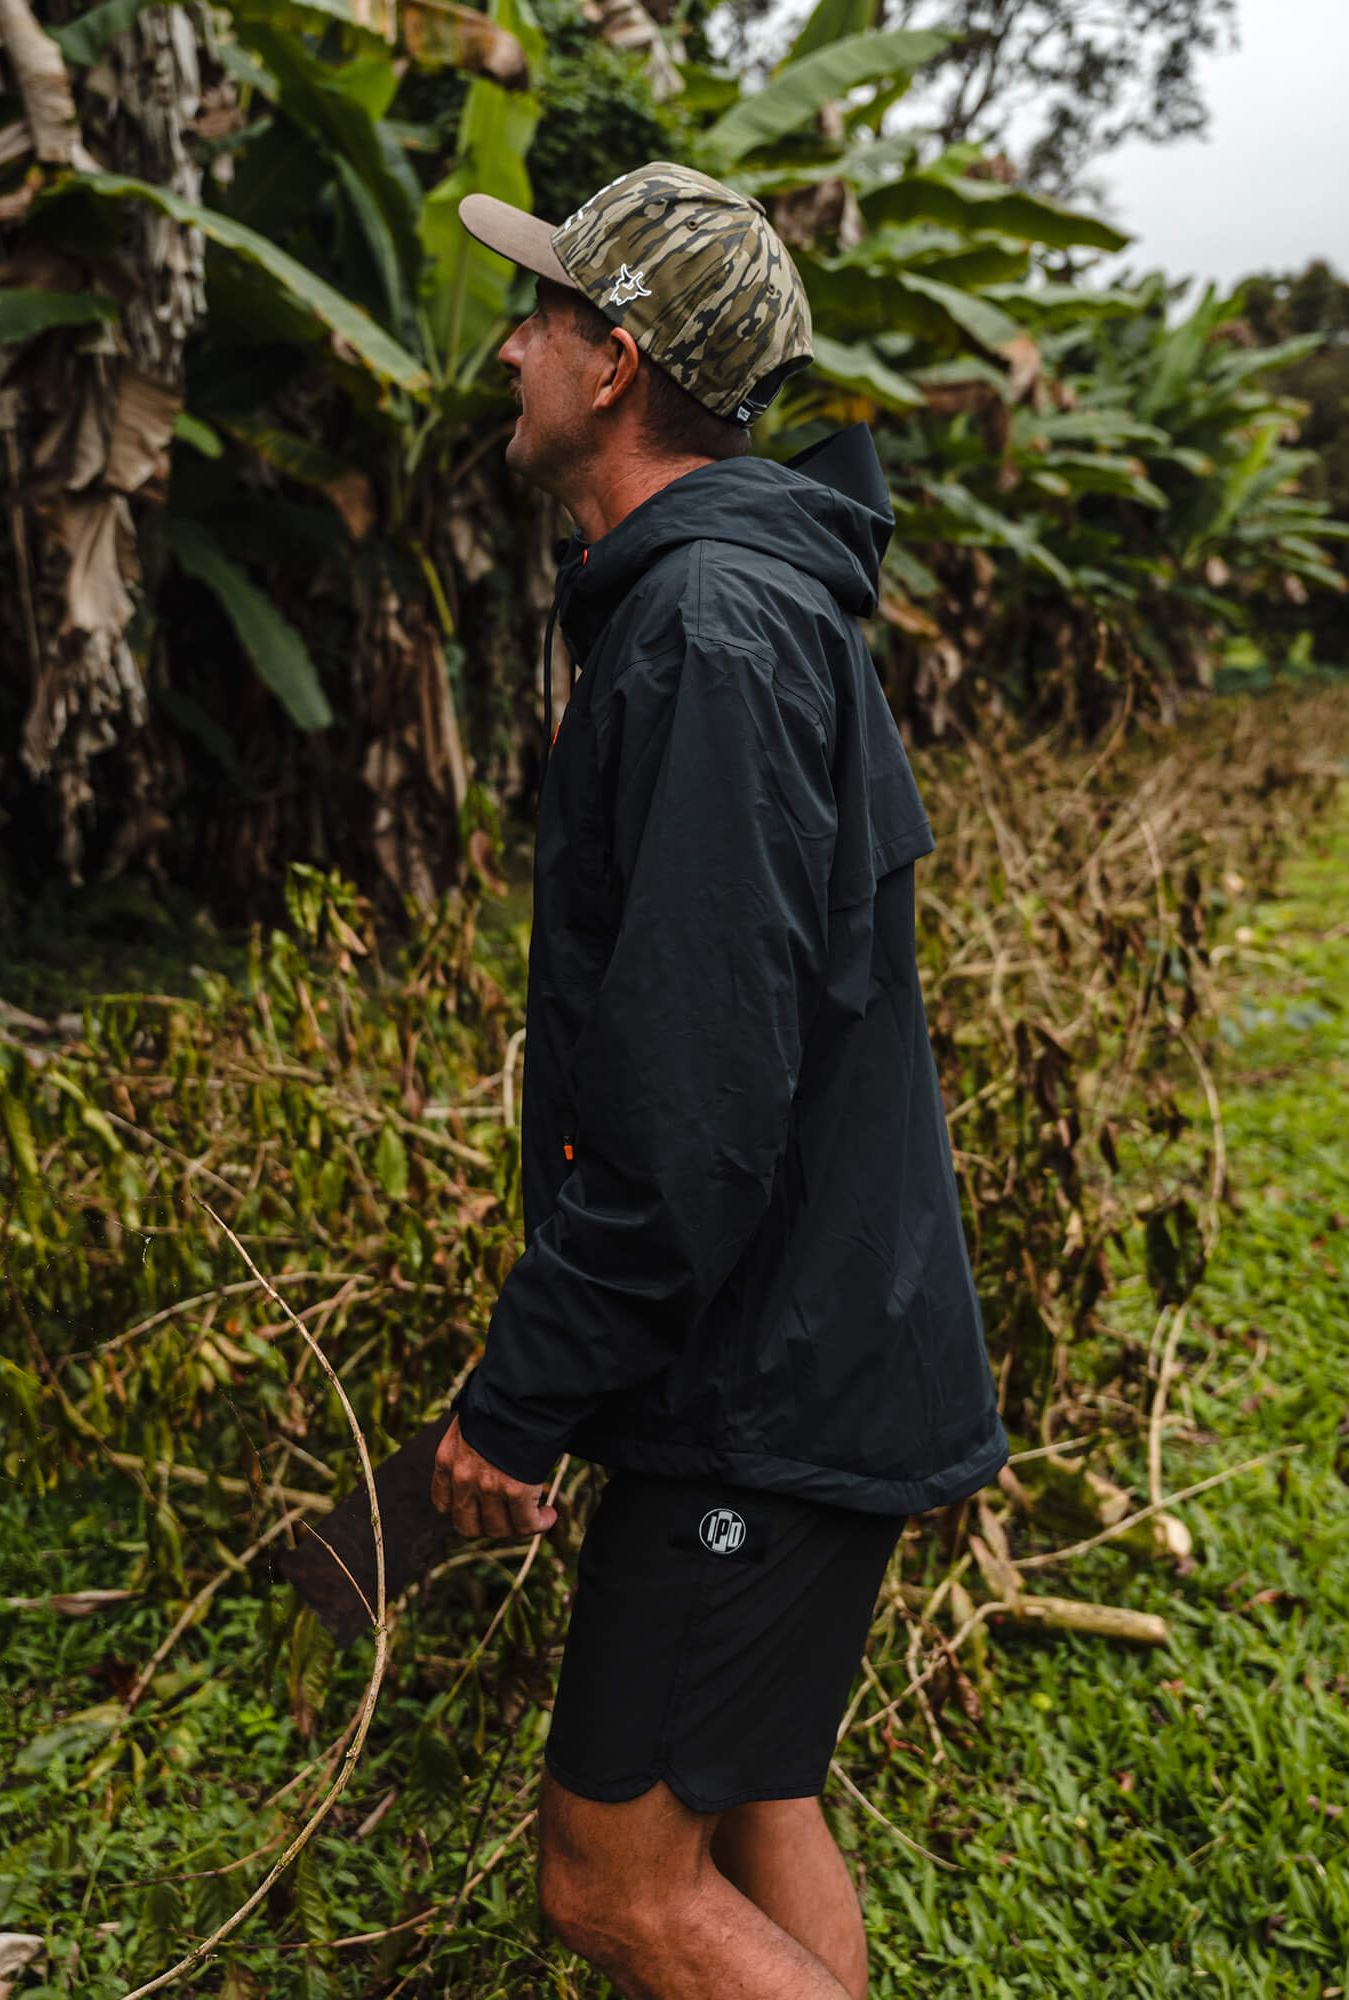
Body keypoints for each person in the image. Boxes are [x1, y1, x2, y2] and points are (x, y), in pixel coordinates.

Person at [428, 162, 1009, 2000]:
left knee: (613, 1883)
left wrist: (524, 1396)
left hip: (765, 1374)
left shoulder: (707, 635)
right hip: (806, 1333)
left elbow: (691, 1096)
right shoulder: (725, 603)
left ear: (611, 364)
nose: (507, 348)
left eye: (540, 316)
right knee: (755, 1797)